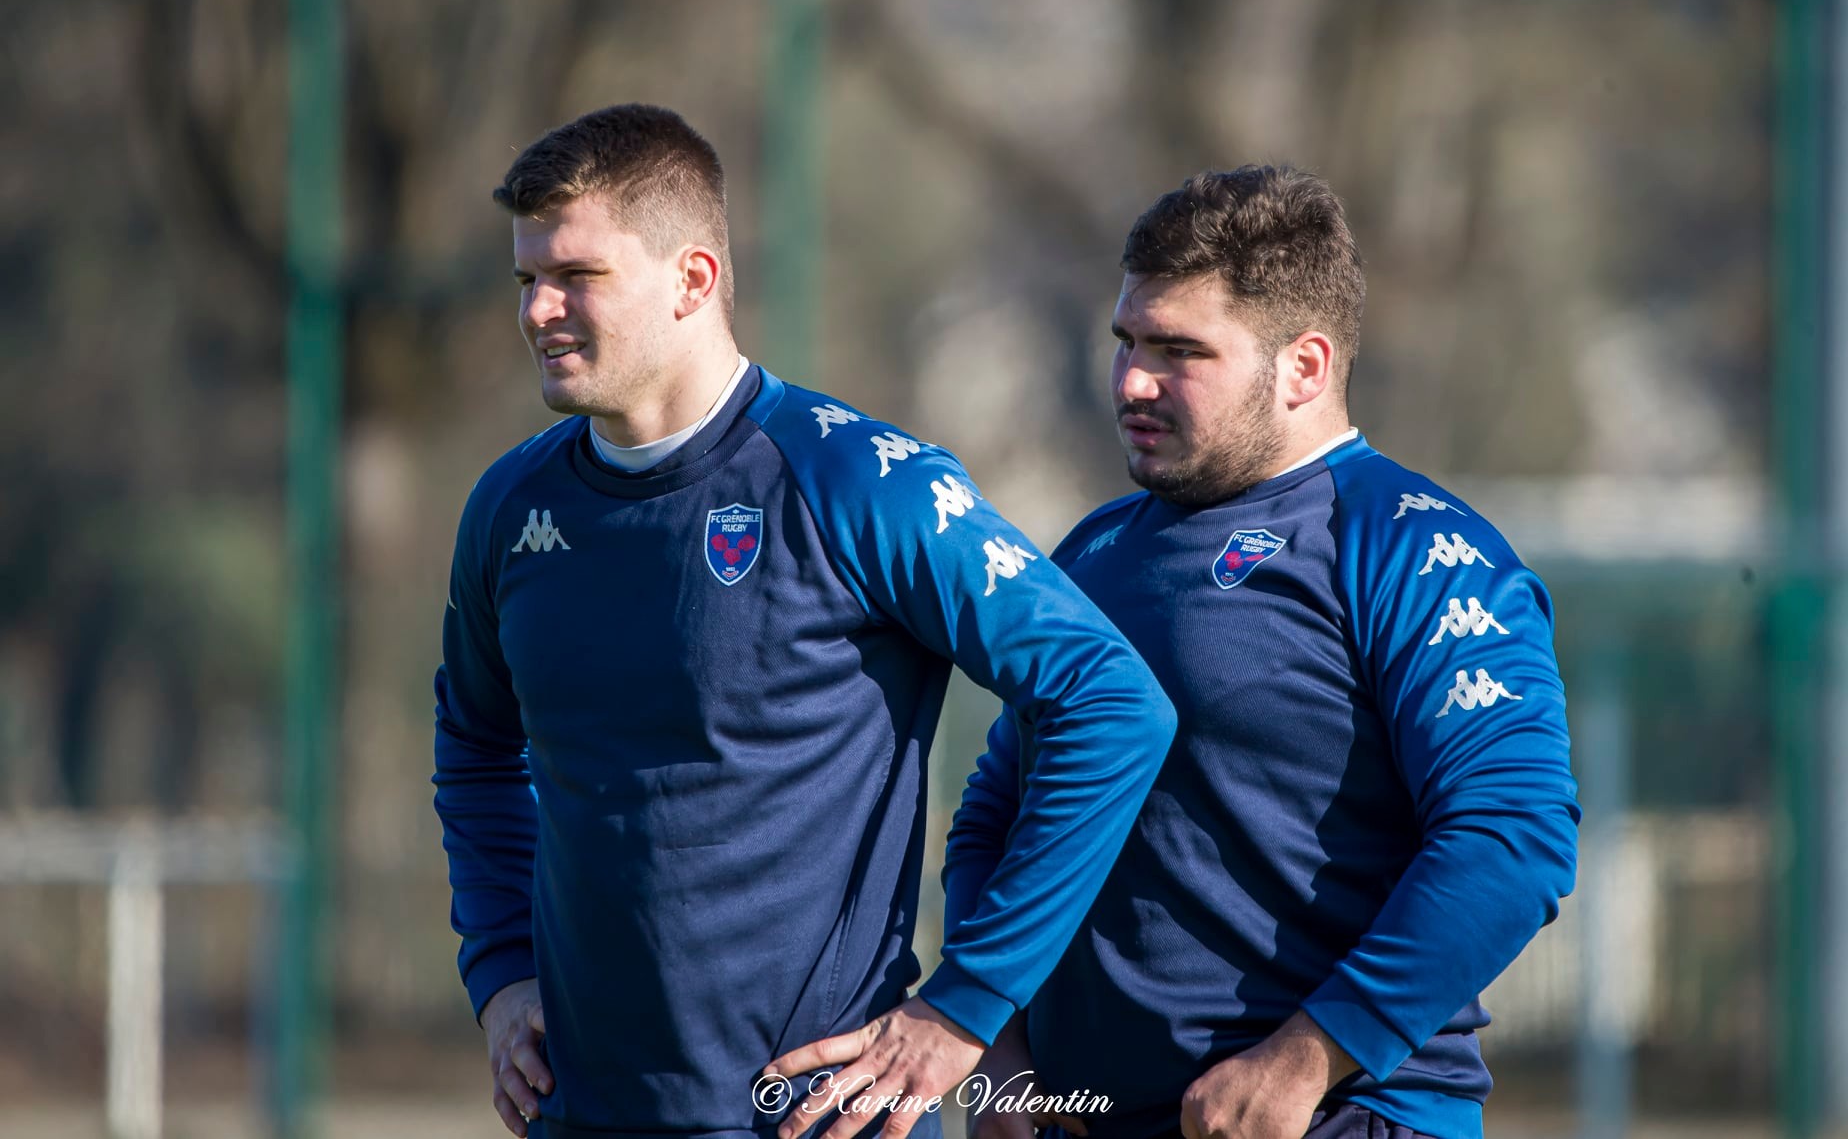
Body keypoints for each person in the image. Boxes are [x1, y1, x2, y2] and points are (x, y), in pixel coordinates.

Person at [430, 103, 1177, 1139]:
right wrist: (503, 966)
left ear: (694, 280)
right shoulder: (514, 510)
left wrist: (968, 1006)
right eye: (528, 279)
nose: (540, 310)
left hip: (811, 1119)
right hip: (582, 1115)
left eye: (578, 277)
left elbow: (1112, 701)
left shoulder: (861, 484)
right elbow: (474, 744)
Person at [954, 167, 1579, 1139]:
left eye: (1179, 351)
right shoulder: (1092, 549)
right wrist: (989, 1044)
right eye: (1125, 341)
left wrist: (1305, 1057)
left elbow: (1513, 837)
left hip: (1341, 1119)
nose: (1131, 381)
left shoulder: (1411, 550)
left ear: (1304, 367)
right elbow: (998, 816)